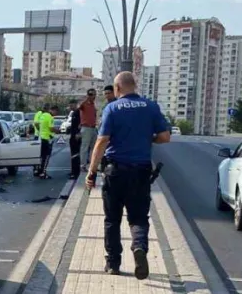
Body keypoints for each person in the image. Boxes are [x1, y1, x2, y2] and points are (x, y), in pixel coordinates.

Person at [85, 71, 171, 280]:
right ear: (135, 85)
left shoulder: (112, 108)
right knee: (139, 217)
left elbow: (102, 140)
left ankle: (113, 263)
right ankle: (139, 246)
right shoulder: (151, 107)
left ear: (117, 88)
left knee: (112, 219)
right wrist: (147, 139)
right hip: (141, 171)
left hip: (115, 172)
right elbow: (165, 137)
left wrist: (92, 171)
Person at [78, 88, 98, 173]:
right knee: (85, 147)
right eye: (90, 94)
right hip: (86, 128)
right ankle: (82, 166)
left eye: (93, 94)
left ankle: (91, 165)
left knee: (94, 148)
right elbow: (79, 107)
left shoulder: (93, 104)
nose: (92, 96)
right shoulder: (84, 104)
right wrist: (86, 99)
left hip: (93, 128)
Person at [34, 104, 55, 179]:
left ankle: (38, 170)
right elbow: (50, 128)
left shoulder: (40, 114)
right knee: (46, 156)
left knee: (40, 155)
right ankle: (42, 172)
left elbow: (36, 123)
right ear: (49, 109)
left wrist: (40, 130)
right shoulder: (48, 116)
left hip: (39, 137)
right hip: (46, 138)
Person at [66, 100, 82, 180]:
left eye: (71, 105)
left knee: (76, 155)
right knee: (73, 155)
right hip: (72, 136)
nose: (70, 107)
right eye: (69, 106)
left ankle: (76, 172)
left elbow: (80, 124)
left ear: (75, 104)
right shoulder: (73, 113)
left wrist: (78, 133)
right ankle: (73, 171)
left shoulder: (79, 112)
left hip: (76, 137)